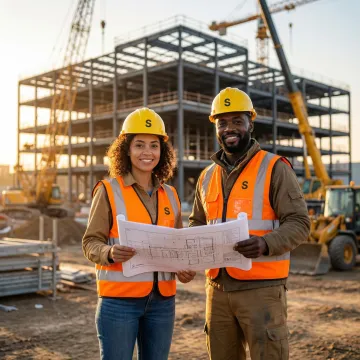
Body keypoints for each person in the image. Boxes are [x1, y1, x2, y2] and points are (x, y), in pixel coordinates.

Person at [189, 88, 311, 360]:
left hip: (262, 290)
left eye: (237, 121)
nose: (229, 128)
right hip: (217, 291)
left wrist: (265, 243)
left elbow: (300, 222)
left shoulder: (274, 168)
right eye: (222, 122)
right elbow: (197, 222)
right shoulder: (207, 176)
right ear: (216, 128)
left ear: (250, 124)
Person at [82, 107, 196, 360]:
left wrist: (184, 267)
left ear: (162, 151)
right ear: (126, 149)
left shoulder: (171, 195)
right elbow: (90, 242)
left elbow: (178, 246)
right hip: (119, 302)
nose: (147, 152)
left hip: (162, 302)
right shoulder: (108, 190)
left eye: (154, 145)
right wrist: (109, 252)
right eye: (139, 145)